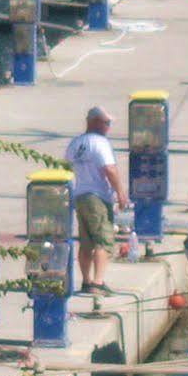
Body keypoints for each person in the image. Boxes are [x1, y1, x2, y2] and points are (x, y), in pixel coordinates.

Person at [65, 106, 129, 295]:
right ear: (94, 122)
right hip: (98, 197)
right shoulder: (100, 143)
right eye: (106, 123)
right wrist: (121, 193)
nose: (109, 127)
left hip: (80, 195)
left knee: (86, 242)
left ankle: (86, 281)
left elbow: (68, 167)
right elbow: (109, 169)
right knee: (104, 240)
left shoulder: (76, 144)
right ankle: (98, 283)